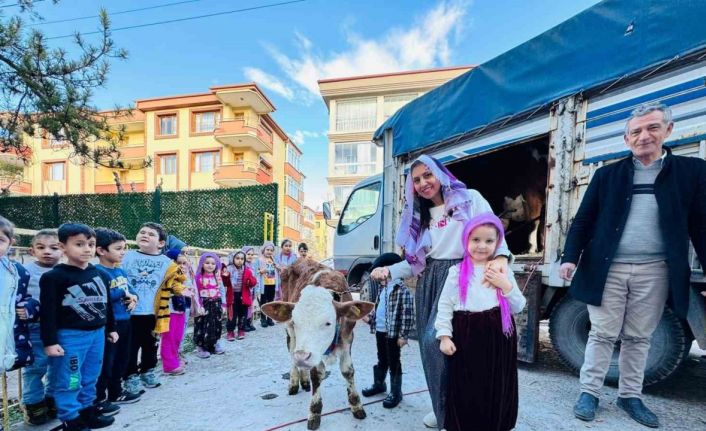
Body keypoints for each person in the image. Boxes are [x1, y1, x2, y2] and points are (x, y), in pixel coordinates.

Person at [559, 102, 706, 428]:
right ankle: (589, 392)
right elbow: (583, 221)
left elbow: (701, 224)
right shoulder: (606, 175)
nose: (644, 136)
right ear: (626, 139)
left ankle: (630, 396)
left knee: (640, 337)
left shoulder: (692, 172)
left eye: (653, 127)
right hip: (606, 269)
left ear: (668, 131)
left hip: (655, 270)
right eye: (636, 131)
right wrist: (570, 257)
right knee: (602, 333)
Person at [370, 154, 511, 429]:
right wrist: (389, 271)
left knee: (466, 348)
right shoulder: (418, 217)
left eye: (428, 175)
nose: (424, 183)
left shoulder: (470, 198)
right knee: (431, 347)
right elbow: (414, 264)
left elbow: (495, 233)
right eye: (417, 180)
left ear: (440, 173)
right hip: (431, 280)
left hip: (466, 275)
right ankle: (441, 405)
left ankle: (462, 408)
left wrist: (502, 258)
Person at [435, 213, 526, 431]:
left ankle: (494, 424)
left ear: (497, 243)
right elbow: (445, 306)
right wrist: (444, 336)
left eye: (489, 241)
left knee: (495, 384)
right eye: (475, 240)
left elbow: (518, 306)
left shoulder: (501, 271)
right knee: (465, 385)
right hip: (465, 334)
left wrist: (505, 285)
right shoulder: (456, 272)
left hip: (498, 336)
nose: (482, 246)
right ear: (466, 240)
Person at [40, 223, 118, 430]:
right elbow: (47, 313)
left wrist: (111, 328)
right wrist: (50, 342)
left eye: (91, 244)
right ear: (62, 247)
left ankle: (87, 411)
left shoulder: (99, 274)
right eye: (79, 244)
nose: (86, 249)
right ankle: (70, 418)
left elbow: (106, 304)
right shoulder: (53, 277)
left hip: (98, 335)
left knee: (91, 375)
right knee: (70, 379)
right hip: (70, 337)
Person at [122, 222, 173, 395]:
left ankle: (147, 371)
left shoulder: (167, 263)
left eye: (151, 234)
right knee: (130, 346)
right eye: (142, 232)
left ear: (161, 243)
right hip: (130, 313)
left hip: (154, 313)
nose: (145, 235)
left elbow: (175, 283)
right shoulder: (126, 257)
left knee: (150, 344)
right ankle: (129, 376)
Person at [94, 228, 140, 415]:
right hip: (110, 325)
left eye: (124, 248)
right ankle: (99, 398)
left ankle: (116, 391)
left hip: (126, 321)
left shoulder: (120, 271)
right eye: (118, 248)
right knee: (107, 362)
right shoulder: (97, 272)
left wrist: (134, 298)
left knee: (122, 358)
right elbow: (103, 296)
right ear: (101, 250)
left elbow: (131, 289)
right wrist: (122, 293)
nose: (123, 252)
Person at [361, 253, 414, 409]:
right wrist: (370, 318)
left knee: (394, 361)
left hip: (393, 334)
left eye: (379, 272)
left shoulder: (402, 290)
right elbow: (379, 308)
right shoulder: (383, 289)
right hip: (380, 330)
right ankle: (379, 384)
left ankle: (396, 392)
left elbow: (408, 314)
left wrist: (403, 336)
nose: (377, 278)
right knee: (382, 358)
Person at [21, 229, 62, 425]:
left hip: (60, 328)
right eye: (41, 247)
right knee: (35, 367)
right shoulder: (25, 272)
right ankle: (33, 405)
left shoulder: (65, 271)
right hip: (35, 328)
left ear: (62, 249)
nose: (47, 251)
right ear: (31, 251)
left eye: (53, 248)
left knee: (57, 366)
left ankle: (51, 399)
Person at [1, 216, 38, 376]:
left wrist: (29, 308)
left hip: (6, 333)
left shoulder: (17, 272)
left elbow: (24, 298)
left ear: (11, 243)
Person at [193, 252, 226, 358]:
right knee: (202, 325)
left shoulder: (217, 277)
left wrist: (224, 305)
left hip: (216, 304)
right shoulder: (198, 277)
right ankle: (201, 347)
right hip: (204, 305)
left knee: (216, 324)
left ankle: (214, 343)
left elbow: (221, 290)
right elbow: (196, 292)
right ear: (202, 263)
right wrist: (199, 305)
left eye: (213, 263)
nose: (210, 265)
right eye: (207, 263)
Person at [225, 250, 257, 341]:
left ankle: (241, 330)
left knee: (243, 314)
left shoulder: (247, 270)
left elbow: (253, 281)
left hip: (244, 296)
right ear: (233, 258)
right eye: (237, 258)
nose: (240, 260)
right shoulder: (228, 269)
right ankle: (230, 332)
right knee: (232, 315)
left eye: (242, 259)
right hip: (232, 296)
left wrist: (250, 282)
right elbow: (224, 282)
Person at [254, 242, 279, 328]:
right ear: (263, 250)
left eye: (271, 250)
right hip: (264, 284)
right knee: (263, 302)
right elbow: (254, 272)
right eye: (267, 250)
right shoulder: (259, 260)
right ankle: (263, 318)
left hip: (272, 283)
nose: (269, 252)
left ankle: (269, 318)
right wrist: (260, 272)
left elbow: (276, 271)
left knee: (271, 301)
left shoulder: (273, 259)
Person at [242, 246, 259, 332]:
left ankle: (249, 322)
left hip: (252, 290)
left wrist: (256, 290)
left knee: (251, 307)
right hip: (245, 290)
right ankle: (244, 324)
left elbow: (255, 278)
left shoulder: (253, 265)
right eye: (248, 254)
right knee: (245, 307)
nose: (250, 256)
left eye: (252, 254)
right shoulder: (242, 265)